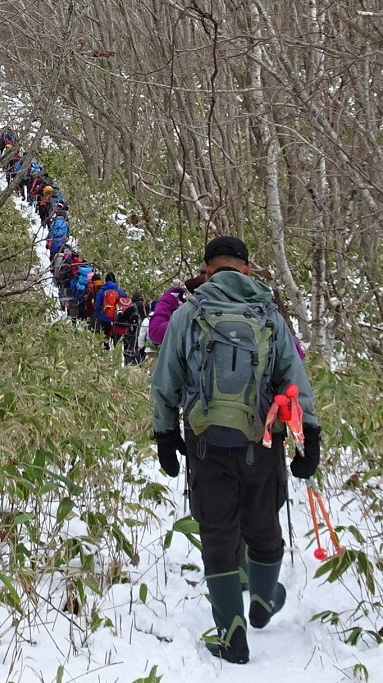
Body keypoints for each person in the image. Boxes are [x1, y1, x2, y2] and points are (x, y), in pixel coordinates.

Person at [150, 236, 320, 665]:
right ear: (247, 270)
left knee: (218, 535)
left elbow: (165, 380)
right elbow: (293, 377)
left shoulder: (190, 313)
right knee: (263, 525)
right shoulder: (268, 314)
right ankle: (262, 599)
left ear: (207, 270)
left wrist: (165, 436)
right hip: (262, 442)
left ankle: (232, 634)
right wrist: (310, 435)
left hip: (205, 445)